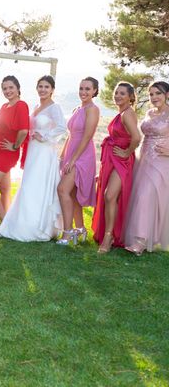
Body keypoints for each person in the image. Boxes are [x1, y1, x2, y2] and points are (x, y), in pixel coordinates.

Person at [0, 75, 66, 241]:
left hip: (44, 152)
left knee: (38, 186)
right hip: (33, 151)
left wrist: (45, 136)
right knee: (28, 185)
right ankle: (24, 223)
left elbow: (62, 127)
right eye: (40, 86)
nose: (43, 89)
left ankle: (39, 227)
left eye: (46, 87)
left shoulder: (54, 107)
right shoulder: (35, 106)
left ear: (52, 90)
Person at [92, 82, 141, 253]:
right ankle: (109, 234)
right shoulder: (122, 113)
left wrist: (127, 153)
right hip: (113, 159)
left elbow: (136, 137)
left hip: (122, 160)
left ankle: (108, 236)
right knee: (110, 197)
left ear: (130, 97)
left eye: (122, 93)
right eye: (116, 93)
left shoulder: (128, 114)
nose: (118, 96)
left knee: (110, 195)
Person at [124, 81, 169, 254]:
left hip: (161, 161)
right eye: (151, 94)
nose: (154, 97)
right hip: (143, 159)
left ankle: (141, 241)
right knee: (142, 197)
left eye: (158, 93)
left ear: (167, 95)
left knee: (145, 196)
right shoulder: (149, 113)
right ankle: (147, 236)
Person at [0, 76, 29, 233]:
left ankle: (7, 226)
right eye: (5, 88)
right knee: (4, 189)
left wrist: (15, 146)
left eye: (11, 88)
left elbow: (23, 130)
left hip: (7, 154)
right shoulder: (4, 106)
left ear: (17, 88)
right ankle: (5, 224)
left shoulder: (21, 105)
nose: (8, 91)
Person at [56, 77, 100, 245]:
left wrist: (73, 160)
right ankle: (80, 228)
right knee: (72, 194)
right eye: (81, 88)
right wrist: (62, 156)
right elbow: (71, 135)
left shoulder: (93, 110)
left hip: (82, 156)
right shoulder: (77, 109)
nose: (83, 92)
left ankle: (67, 233)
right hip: (71, 154)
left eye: (88, 89)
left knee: (62, 190)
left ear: (95, 91)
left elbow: (87, 136)